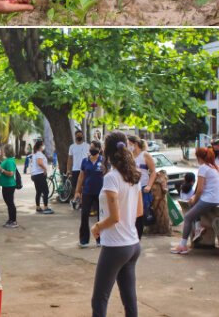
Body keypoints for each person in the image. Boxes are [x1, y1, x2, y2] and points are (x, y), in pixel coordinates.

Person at [90, 131, 142, 316]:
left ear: (106, 151)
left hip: (116, 246)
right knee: (129, 299)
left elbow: (114, 217)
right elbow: (139, 212)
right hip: (132, 244)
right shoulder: (134, 175)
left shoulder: (111, 178)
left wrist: (97, 226)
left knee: (99, 299)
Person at [171, 147, 219, 255]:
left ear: (199, 157)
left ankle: (182, 245)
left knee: (188, 217)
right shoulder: (217, 167)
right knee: (194, 204)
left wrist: (194, 199)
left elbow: (200, 189)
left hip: (209, 199)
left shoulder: (203, 168)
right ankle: (198, 227)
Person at [74, 140, 105, 248]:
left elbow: (108, 176)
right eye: (90, 147)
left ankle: (100, 239)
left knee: (101, 217)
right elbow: (81, 177)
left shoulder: (103, 161)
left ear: (99, 149)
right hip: (87, 192)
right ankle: (84, 240)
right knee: (84, 215)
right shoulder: (85, 161)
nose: (91, 149)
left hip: (100, 193)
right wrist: (77, 191)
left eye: (94, 147)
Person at [127, 135, 155, 239]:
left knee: (140, 213)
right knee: (131, 211)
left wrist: (149, 186)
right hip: (131, 187)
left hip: (143, 187)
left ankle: (138, 236)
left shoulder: (145, 155)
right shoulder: (129, 156)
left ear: (135, 144)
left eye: (129, 143)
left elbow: (153, 171)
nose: (128, 145)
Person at [29, 140, 54, 214]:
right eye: (43, 145)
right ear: (40, 146)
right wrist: (45, 169)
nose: (44, 146)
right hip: (39, 175)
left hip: (35, 175)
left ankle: (38, 207)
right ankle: (46, 207)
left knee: (39, 191)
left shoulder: (35, 154)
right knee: (46, 191)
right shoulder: (39, 154)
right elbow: (39, 163)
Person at [0, 144, 19, 228]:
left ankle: (13, 221)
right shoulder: (8, 160)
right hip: (6, 185)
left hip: (9, 185)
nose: (2, 151)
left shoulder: (10, 161)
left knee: (10, 203)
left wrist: (1, 170)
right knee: (9, 203)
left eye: (4, 150)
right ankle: (11, 219)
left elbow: (11, 173)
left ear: (7, 151)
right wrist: (0, 162)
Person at [67, 129, 89, 206]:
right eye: (78, 135)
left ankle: (82, 202)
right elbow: (70, 159)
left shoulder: (87, 146)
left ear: (83, 136)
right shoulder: (72, 147)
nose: (79, 136)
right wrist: (68, 169)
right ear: (75, 136)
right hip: (75, 169)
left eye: (80, 135)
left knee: (84, 186)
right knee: (75, 186)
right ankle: (76, 201)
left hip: (85, 169)